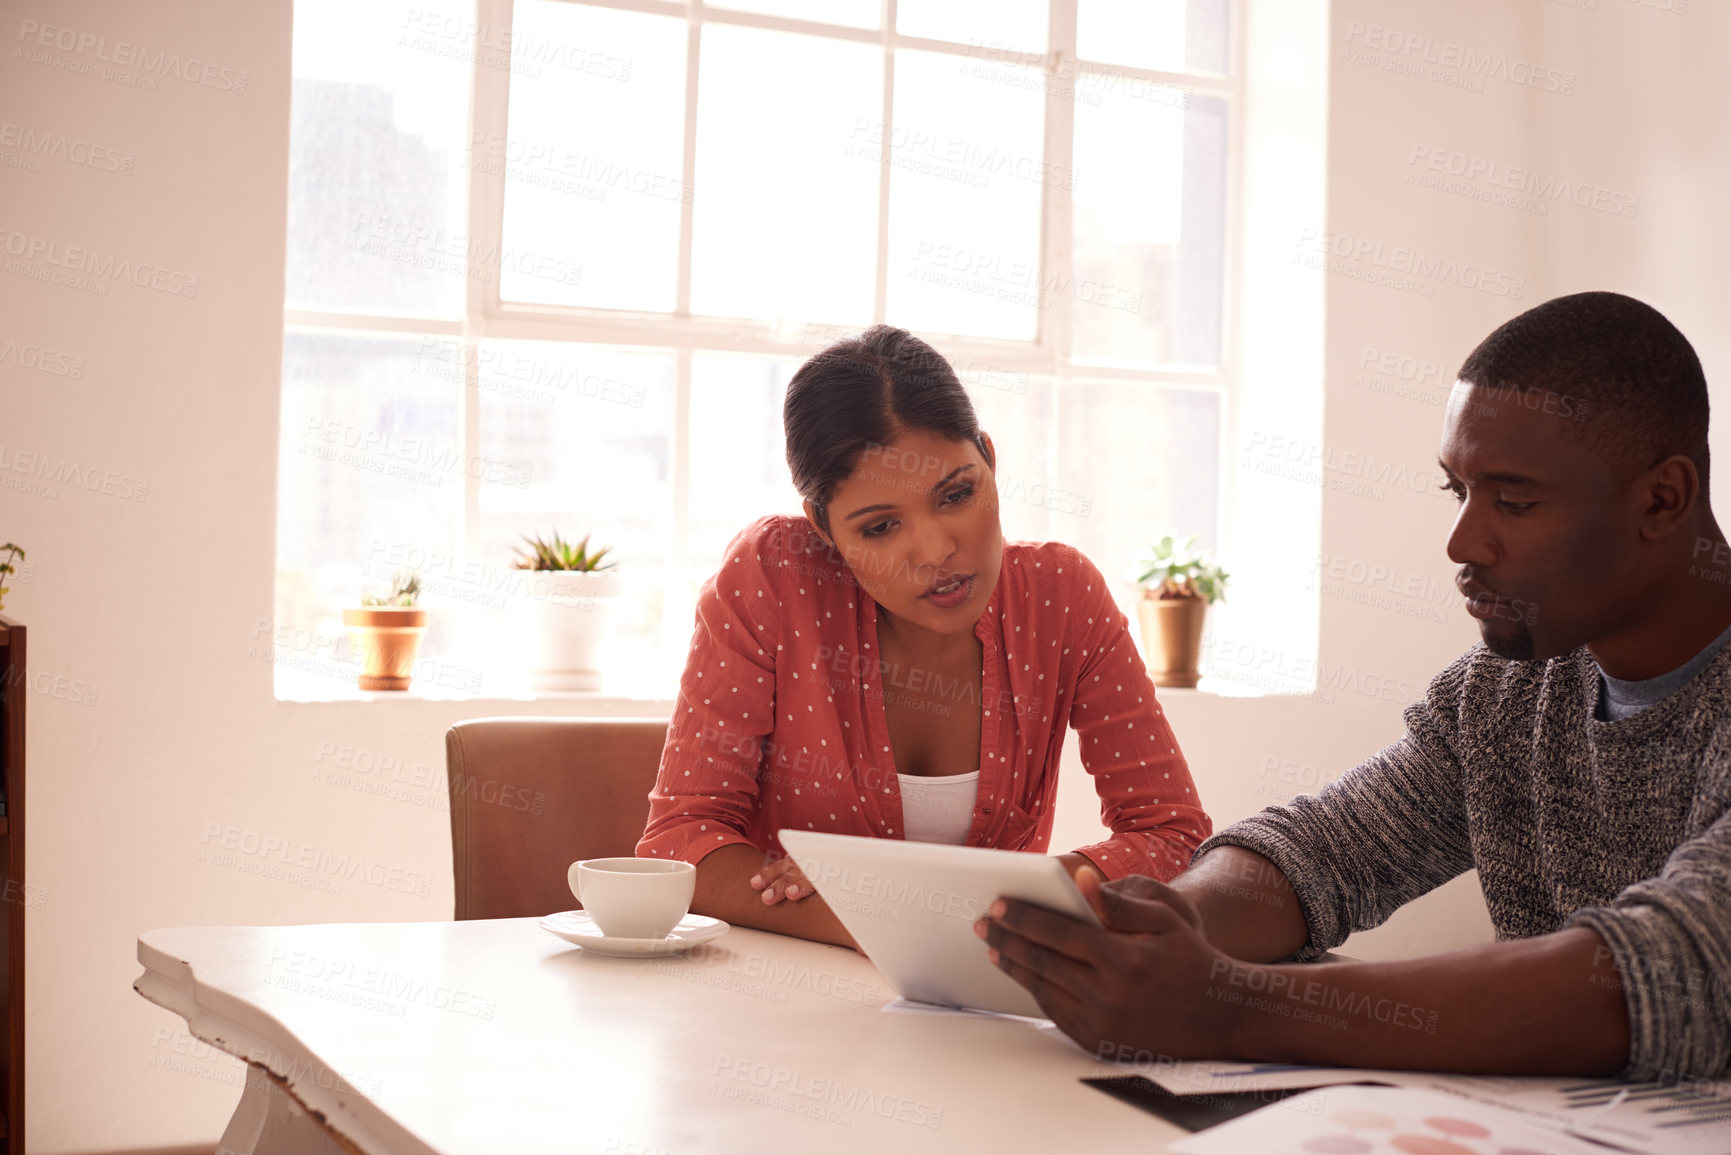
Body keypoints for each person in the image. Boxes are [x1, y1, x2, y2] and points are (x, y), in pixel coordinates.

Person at [979, 291, 1731, 1081]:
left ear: (1661, 499)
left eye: (1513, 500)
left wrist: (1228, 1004)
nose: (1460, 540)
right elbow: (1327, 847)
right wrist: (1180, 921)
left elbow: (1667, 972)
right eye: (1457, 491)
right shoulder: (1504, 694)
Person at [637, 325, 1212, 947]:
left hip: (979, 1003)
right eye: (880, 527)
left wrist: (1001, 901)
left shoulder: (1061, 596)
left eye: (958, 494)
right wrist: (889, 920)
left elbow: (1173, 834)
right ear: (825, 529)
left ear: (990, 459)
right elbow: (680, 843)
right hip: (785, 1006)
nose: (938, 551)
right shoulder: (776, 579)